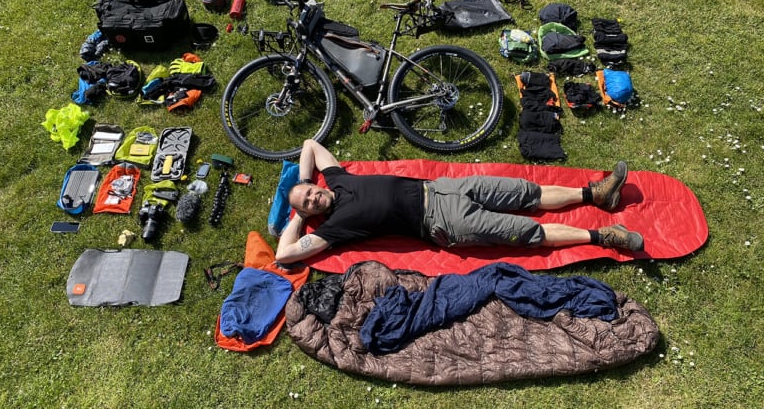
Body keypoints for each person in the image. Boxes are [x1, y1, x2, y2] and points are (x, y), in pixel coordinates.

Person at [275, 139, 644, 263]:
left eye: (310, 192)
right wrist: (297, 216)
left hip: (444, 188)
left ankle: (596, 194)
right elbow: (284, 255)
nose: (313, 196)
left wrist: (303, 180)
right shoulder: (335, 227)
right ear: (310, 213)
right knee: (528, 230)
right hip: (445, 223)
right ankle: (604, 237)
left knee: (526, 193)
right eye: (309, 202)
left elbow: (310, 145)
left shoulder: (336, 179)